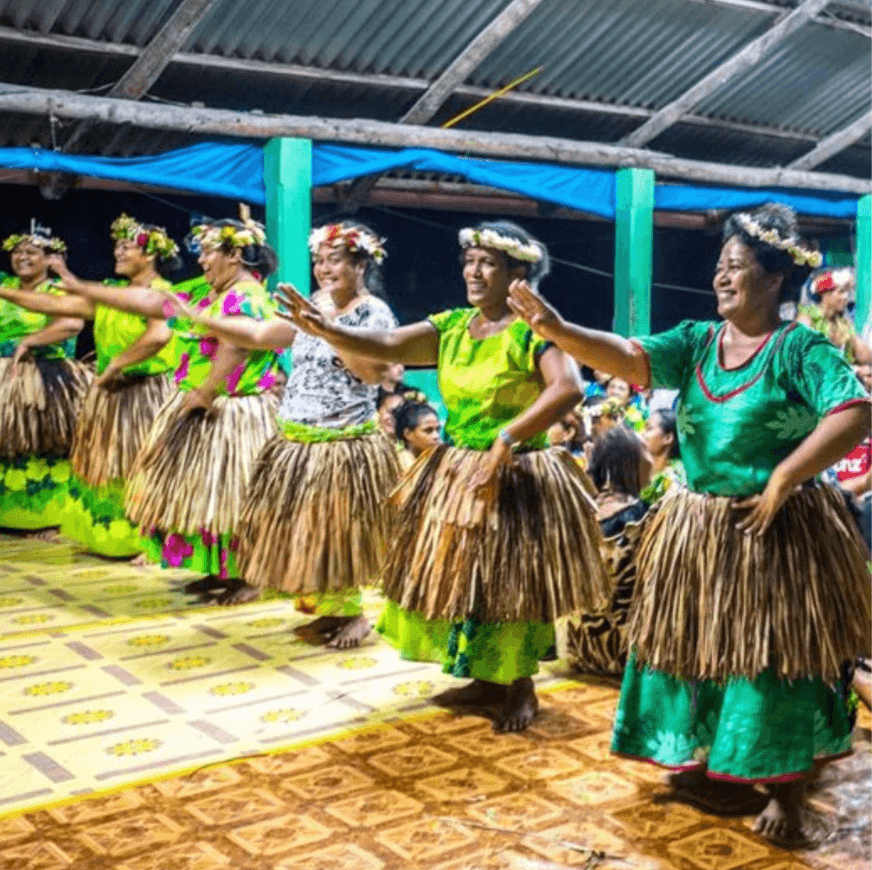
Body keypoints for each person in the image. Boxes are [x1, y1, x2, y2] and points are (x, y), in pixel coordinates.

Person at [508, 203, 871, 846]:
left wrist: (785, 479)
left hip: (772, 532)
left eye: (736, 267)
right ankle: (714, 764)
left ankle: (784, 792)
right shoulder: (696, 342)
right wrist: (560, 330)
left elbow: (853, 411)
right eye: (719, 266)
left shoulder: (800, 349)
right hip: (699, 531)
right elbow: (626, 356)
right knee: (696, 653)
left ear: (774, 278)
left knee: (769, 662)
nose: (721, 278)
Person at [281, 219, 608, 732]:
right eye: (469, 262)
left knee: (507, 585)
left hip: (514, 471)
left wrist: (509, 438)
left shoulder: (534, 330)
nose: (473, 272)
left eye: (487, 264)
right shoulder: (453, 326)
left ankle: (518, 685)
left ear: (517, 273)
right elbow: (388, 343)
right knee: (464, 582)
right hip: (459, 467)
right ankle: (481, 677)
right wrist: (327, 330)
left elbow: (567, 389)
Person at [164, 221, 400, 646]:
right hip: (298, 436)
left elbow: (371, 374)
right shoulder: (316, 302)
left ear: (361, 263)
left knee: (339, 531)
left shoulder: (373, 312)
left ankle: (354, 615)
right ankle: (330, 610)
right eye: (319, 260)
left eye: (335, 260)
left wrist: (326, 329)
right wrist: (203, 319)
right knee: (307, 530)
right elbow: (259, 335)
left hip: (342, 440)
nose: (324, 268)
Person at [56, 217, 281, 597]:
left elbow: (237, 347)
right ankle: (220, 570)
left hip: (229, 410)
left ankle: (248, 576)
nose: (203, 260)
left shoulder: (246, 296)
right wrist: (83, 287)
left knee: (233, 496)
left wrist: (206, 391)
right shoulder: (208, 293)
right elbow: (156, 303)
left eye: (210, 251)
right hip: (204, 405)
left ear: (236, 254)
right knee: (205, 494)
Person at [5, 215, 181, 557]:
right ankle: (116, 537)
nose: (117, 251)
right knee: (111, 467)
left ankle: (153, 541)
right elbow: (58, 305)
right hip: (114, 390)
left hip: (147, 390)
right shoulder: (113, 292)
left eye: (126, 246)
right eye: (116, 245)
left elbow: (159, 335)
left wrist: (117, 363)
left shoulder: (162, 294)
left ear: (150, 255)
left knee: (145, 465)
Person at [0, 226, 89, 532]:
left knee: (42, 441)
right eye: (17, 251)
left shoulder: (59, 290)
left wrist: (31, 341)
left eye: (31, 252)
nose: (22, 257)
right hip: (3, 374)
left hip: (46, 377)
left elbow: (73, 324)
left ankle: (45, 515)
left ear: (49, 259)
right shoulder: (4, 284)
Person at [567, 426, 652, 676]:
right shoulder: (640, 516)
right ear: (631, 463)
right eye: (645, 451)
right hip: (623, 654)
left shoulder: (581, 510)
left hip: (582, 648)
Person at [797, 269, 871, 365]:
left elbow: (865, 356)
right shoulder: (808, 318)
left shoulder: (843, 323)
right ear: (825, 294)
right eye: (841, 292)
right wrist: (854, 370)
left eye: (847, 292)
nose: (846, 297)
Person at [639, 408, 685, 505]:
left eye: (649, 429)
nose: (642, 434)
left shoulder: (675, 480)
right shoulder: (639, 468)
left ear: (667, 438)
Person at [393, 395, 442, 470]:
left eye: (438, 430)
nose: (436, 436)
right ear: (408, 434)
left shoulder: (436, 460)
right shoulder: (397, 466)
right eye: (428, 430)